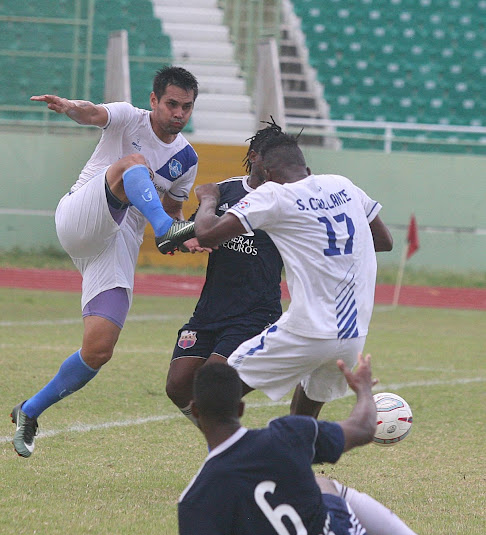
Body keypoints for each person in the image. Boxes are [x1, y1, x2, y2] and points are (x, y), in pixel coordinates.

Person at [65, 361, 482, 535]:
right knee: (324, 482)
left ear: (194, 410)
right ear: (242, 407)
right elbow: (363, 427)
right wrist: (362, 391)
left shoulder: (195, 497)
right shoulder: (287, 433)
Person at [11, 65, 199, 457]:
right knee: (134, 164)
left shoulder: (187, 159)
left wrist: (186, 237)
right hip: (82, 214)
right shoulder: (129, 118)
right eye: (171, 104)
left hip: (118, 243)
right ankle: (162, 229)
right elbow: (93, 112)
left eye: (186, 106)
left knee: (99, 348)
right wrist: (68, 107)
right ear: (154, 101)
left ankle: (29, 411)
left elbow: (172, 209)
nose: (178, 113)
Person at [194, 131, 393, 416]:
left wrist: (209, 198)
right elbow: (384, 241)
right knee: (303, 420)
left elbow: (207, 235)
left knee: (211, 392)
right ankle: (295, 458)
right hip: (352, 335)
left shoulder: (274, 194)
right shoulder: (342, 184)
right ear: (307, 170)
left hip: (306, 331)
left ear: (265, 171)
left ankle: (236, 457)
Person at [165, 121, 285, 424]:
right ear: (254, 156)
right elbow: (186, 235)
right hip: (209, 312)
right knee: (177, 386)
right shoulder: (224, 191)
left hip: (254, 315)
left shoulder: (287, 200)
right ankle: (222, 441)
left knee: (212, 385)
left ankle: (228, 448)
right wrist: (183, 241)